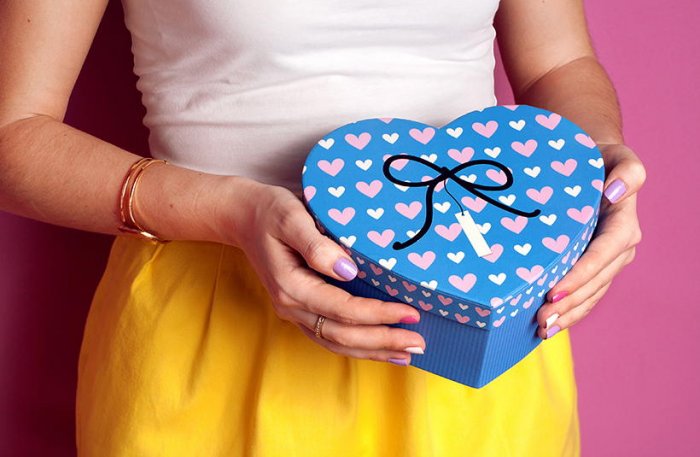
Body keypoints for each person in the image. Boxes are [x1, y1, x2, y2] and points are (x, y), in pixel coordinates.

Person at [0, 0, 645, 455]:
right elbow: (13, 134)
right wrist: (233, 210)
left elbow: (559, 62)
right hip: (216, 309)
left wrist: (596, 167)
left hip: (480, 312)